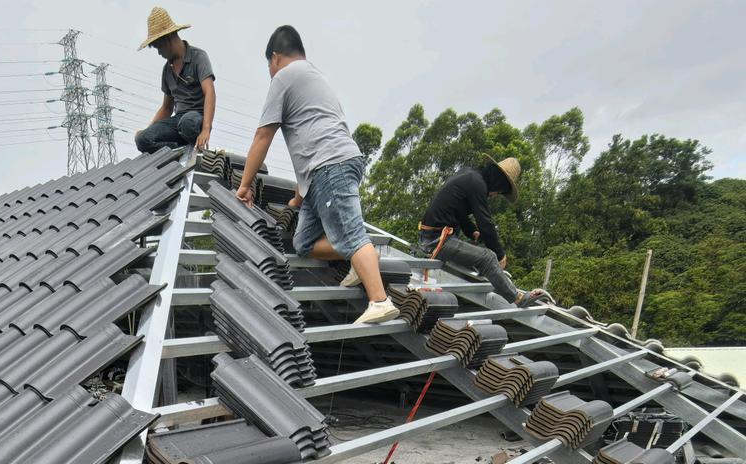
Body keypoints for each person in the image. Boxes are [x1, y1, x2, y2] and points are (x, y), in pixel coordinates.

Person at [235, 26, 398, 326]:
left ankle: (379, 300)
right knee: (304, 243)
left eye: (268, 65)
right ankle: (358, 254)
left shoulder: (284, 77)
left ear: (275, 57)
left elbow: (263, 135)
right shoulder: (313, 75)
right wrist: (299, 196)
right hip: (326, 168)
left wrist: (245, 185)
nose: (270, 72)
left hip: (329, 167)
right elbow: (309, 136)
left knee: (350, 235)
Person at [416, 157, 552, 307]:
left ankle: (495, 276)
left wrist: (472, 231)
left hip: (434, 236)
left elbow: (458, 213)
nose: (494, 195)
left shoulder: (469, 175)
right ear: (498, 183)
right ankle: (518, 298)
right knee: (488, 257)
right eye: (498, 192)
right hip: (436, 242)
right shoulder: (477, 184)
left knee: (481, 254)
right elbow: (486, 223)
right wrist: (500, 254)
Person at [134, 7, 215, 154]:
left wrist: (206, 129)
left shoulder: (198, 57)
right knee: (142, 139)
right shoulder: (167, 70)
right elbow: (166, 108)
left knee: (187, 122)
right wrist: (148, 130)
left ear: (168, 39)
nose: (159, 52)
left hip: (196, 118)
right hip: (177, 121)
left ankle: (194, 148)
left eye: (159, 47)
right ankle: (178, 153)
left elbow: (210, 91)